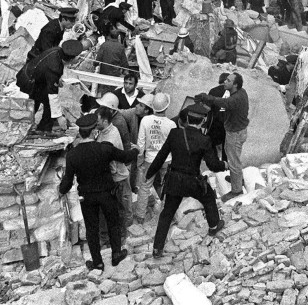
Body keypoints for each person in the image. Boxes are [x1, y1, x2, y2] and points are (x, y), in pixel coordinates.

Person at [58, 112, 139, 271]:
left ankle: (98, 262)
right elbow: (125, 157)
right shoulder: (105, 148)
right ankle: (116, 254)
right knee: (113, 223)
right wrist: (136, 151)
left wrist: (61, 191)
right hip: (107, 193)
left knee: (92, 229)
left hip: (87, 197)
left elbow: (67, 181)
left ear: (80, 133)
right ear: (94, 131)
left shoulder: (72, 155)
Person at [146, 103, 226, 258]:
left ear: (187, 119)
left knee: (167, 212)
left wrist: (149, 173)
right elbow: (212, 165)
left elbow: (161, 156)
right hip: (193, 181)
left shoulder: (175, 134)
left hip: (174, 180)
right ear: (203, 121)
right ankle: (214, 226)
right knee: (209, 197)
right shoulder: (204, 139)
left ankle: (157, 249)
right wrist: (223, 165)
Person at [196, 72, 249, 202]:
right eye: (225, 79)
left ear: (235, 85)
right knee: (234, 158)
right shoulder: (241, 92)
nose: (225, 82)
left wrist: (208, 98)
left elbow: (224, 103)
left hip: (235, 134)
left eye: (228, 80)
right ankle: (237, 179)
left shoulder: (235, 98)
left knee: (234, 162)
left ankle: (236, 190)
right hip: (237, 131)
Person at [17, 39, 83, 132]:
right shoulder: (55, 68)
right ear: (71, 59)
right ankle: (38, 129)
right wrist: (59, 117)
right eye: (77, 57)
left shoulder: (57, 51)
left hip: (34, 77)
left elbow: (47, 68)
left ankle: (41, 128)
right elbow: (53, 94)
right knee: (39, 103)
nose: (79, 58)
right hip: (29, 82)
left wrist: (56, 79)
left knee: (42, 103)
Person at [134, 93, 175, 223]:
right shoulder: (171, 124)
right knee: (166, 186)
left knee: (145, 187)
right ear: (166, 107)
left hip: (150, 160)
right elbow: (173, 145)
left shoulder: (145, 120)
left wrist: (140, 161)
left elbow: (140, 144)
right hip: (166, 160)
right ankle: (166, 214)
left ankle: (140, 216)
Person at [95, 105, 134, 232]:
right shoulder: (107, 130)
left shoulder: (110, 138)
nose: (96, 124)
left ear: (105, 121)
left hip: (118, 178)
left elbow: (112, 167)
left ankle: (124, 231)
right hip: (118, 176)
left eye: (97, 121)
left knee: (122, 207)